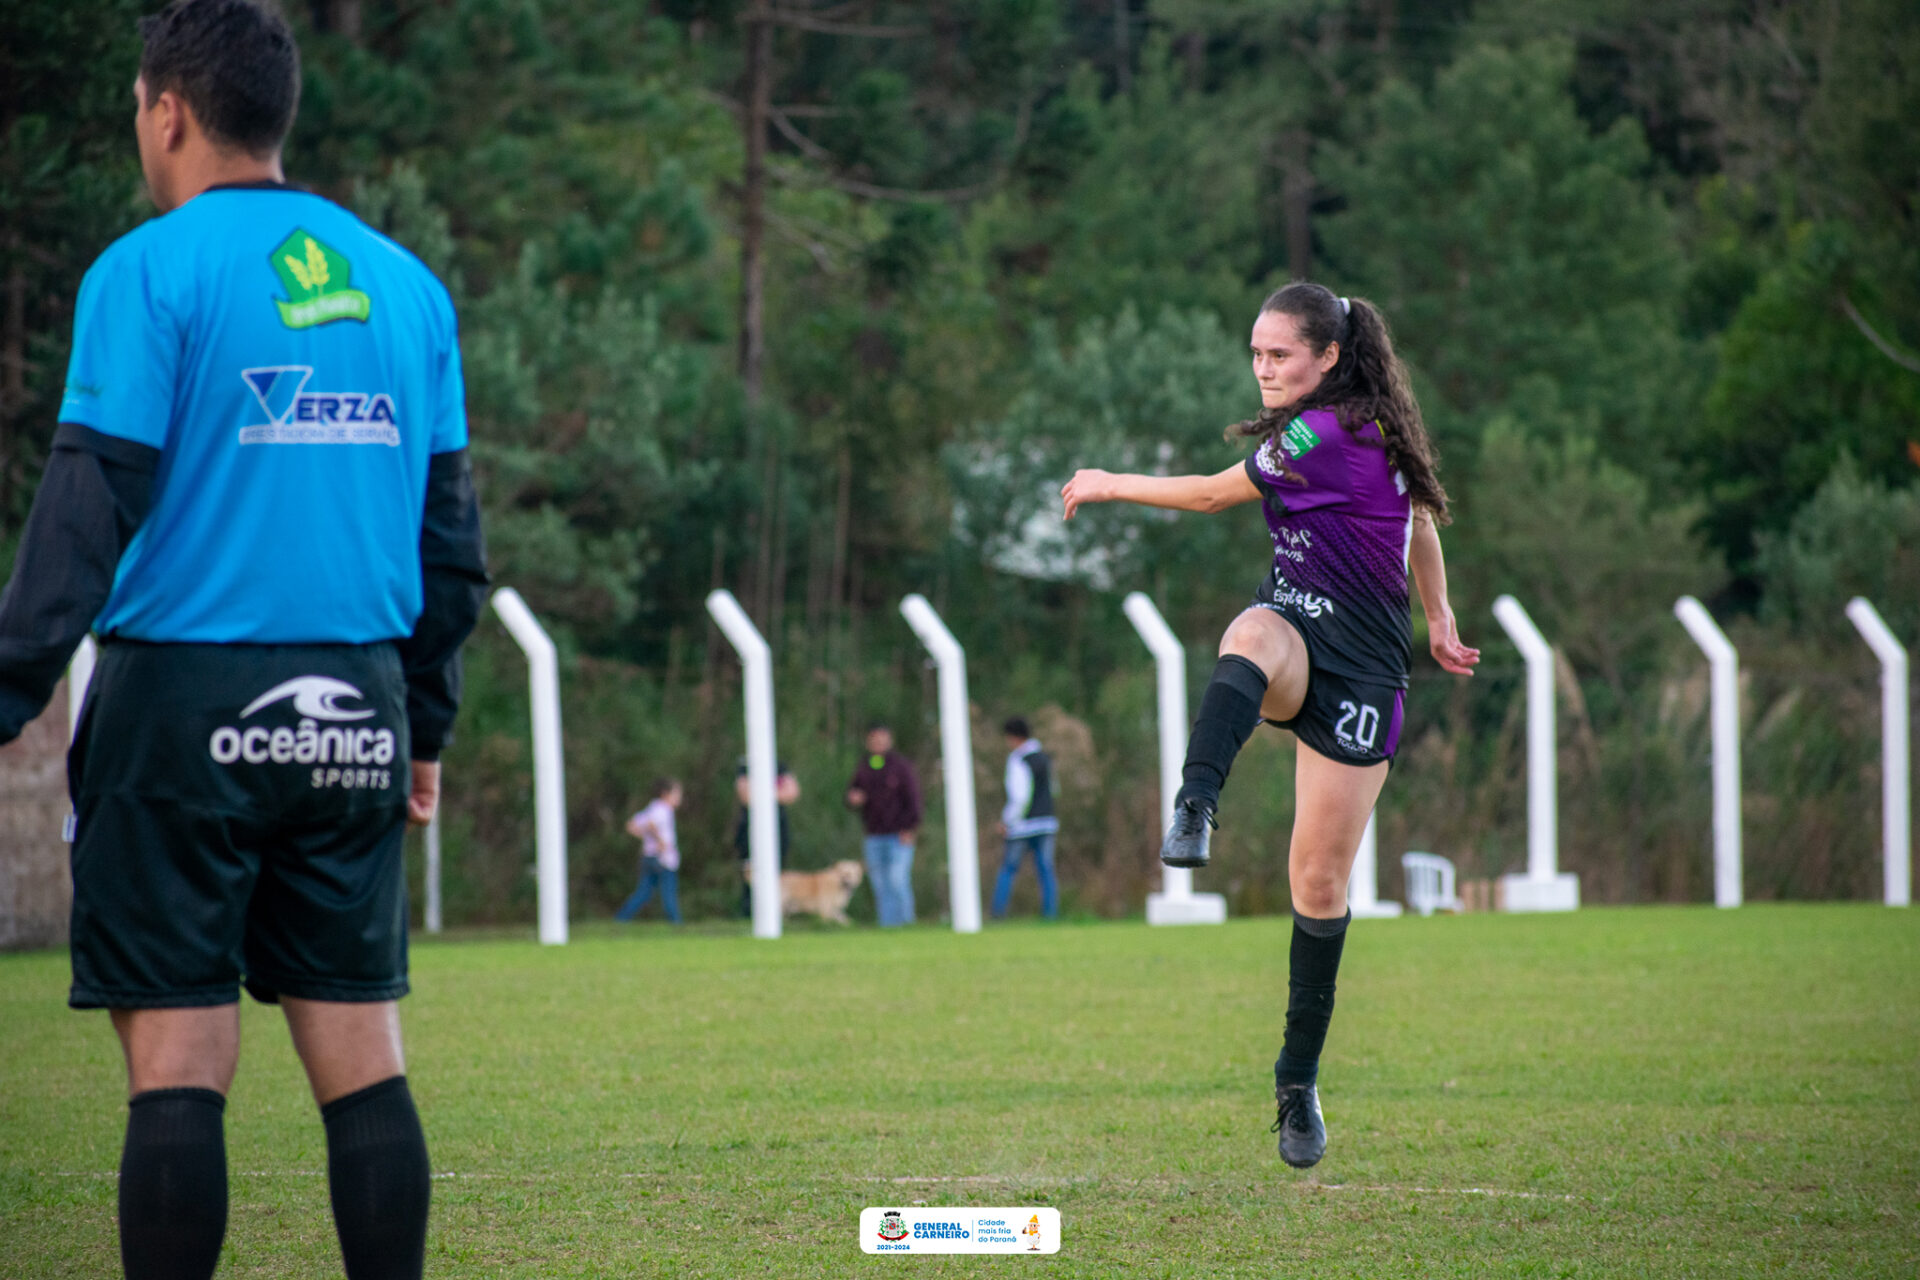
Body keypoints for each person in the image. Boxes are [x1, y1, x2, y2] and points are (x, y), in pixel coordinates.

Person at [0, 4, 489, 1277]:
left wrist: (4, 694)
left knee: (177, 1069)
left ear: (168, 111)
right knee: (362, 1064)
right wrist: (421, 727)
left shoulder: (147, 271)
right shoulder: (404, 284)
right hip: (358, 701)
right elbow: (451, 547)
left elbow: (85, 510)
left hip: (180, 708)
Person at [1061, 282, 1478, 1169]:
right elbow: (1420, 522)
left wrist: (1110, 482)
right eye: (1256, 353)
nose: (1263, 368)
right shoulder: (1341, 427)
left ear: (1329, 357)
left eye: (1279, 354)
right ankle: (1195, 805)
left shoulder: (1329, 432)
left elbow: (1230, 499)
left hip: (1363, 673)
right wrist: (1439, 615)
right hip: (1297, 629)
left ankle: (1297, 1082)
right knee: (1248, 631)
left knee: (1319, 888)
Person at [844, 722, 923, 926]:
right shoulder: (864, 766)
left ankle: (906, 923)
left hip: (898, 834)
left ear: (889, 740)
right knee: (880, 885)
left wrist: (910, 827)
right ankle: (887, 926)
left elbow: (914, 799)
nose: (878, 743)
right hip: (874, 835)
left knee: (898, 880)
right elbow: (851, 795)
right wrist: (853, 799)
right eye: (874, 739)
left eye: (882, 739)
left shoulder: (901, 767)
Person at [991, 717, 1059, 920]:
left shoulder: (1017, 760)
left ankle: (998, 914)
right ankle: (1050, 915)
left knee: (1008, 869)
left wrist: (1006, 821)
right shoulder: (1045, 758)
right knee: (1046, 871)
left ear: (1013, 737)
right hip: (1047, 823)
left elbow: (1019, 798)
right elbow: (1054, 790)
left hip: (1022, 826)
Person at [734, 757, 800, 917]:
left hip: (779, 828)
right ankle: (749, 913)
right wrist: (776, 791)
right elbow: (746, 796)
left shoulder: (778, 765)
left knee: (778, 872)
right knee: (750, 873)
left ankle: (775, 913)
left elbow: (792, 793)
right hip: (749, 828)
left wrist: (761, 792)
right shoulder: (745, 765)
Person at [616, 778, 683, 924]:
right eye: (676, 794)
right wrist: (660, 842)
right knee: (668, 893)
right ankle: (676, 924)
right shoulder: (663, 810)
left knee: (644, 892)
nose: (679, 797)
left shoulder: (652, 808)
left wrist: (647, 838)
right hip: (663, 859)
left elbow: (631, 826)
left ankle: (621, 919)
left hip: (648, 856)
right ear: (665, 794)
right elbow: (652, 825)